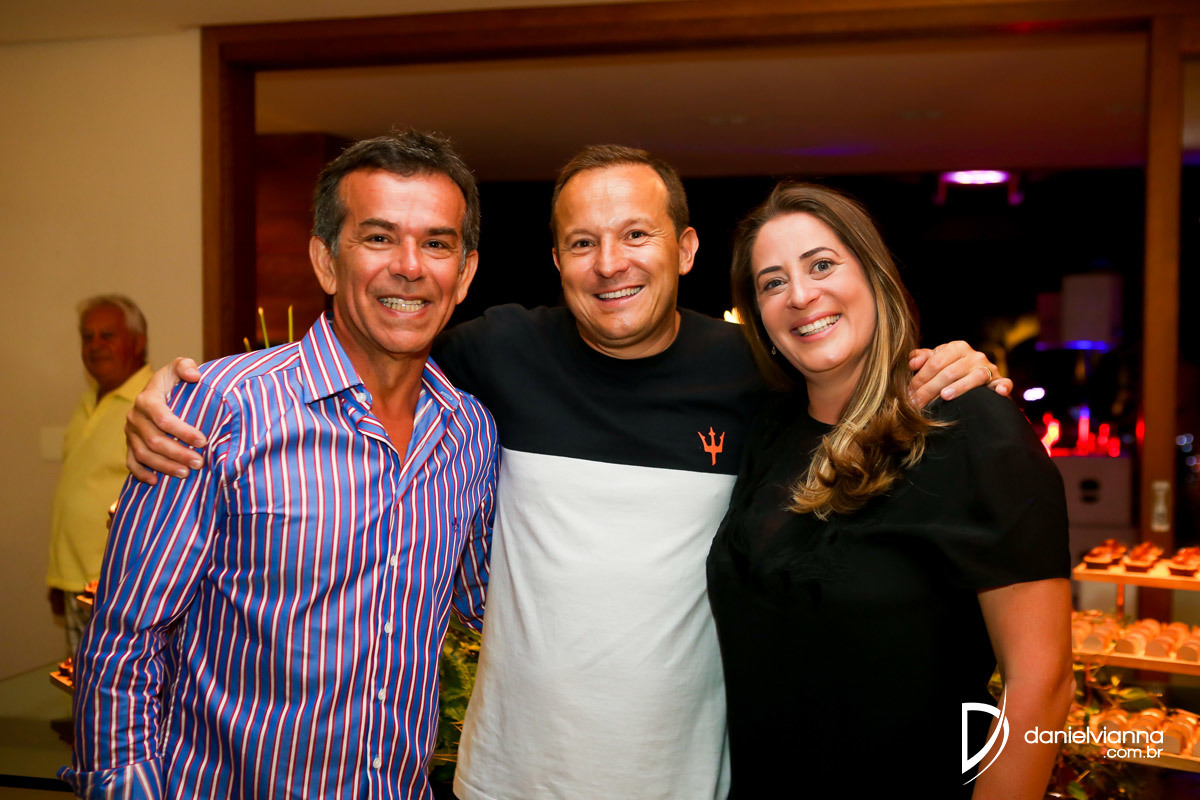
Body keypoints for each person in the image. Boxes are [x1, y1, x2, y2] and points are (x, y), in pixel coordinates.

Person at [123, 146, 1009, 799]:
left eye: (636, 235)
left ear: (685, 249)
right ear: (555, 261)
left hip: (692, 782)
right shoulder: (493, 356)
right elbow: (371, 352)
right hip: (505, 780)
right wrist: (172, 391)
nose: (610, 263)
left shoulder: (756, 375)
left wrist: (951, 369)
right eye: (582, 241)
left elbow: (851, 382)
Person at [63, 131, 498, 800]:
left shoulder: (468, 433)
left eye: (436, 244)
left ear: (464, 274)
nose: (410, 266)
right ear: (326, 261)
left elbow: (488, 598)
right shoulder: (220, 408)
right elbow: (123, 643)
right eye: (378, 238)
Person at [707, 182, 1073, 798]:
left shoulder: (970, 426)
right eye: (772, 283)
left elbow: (1041, 683)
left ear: (875, 278)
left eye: (822, 265)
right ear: (759, 318)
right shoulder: (768, 429)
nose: (800, 295)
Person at [47, 294, 153, 655]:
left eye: (107, 335)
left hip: (117, 589)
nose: (95, 345)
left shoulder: (153, 403)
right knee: (78, 684)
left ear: (137, 342)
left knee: (110, 687)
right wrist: (59, 576)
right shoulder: (88, 402)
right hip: (74, 580)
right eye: (87, 336)